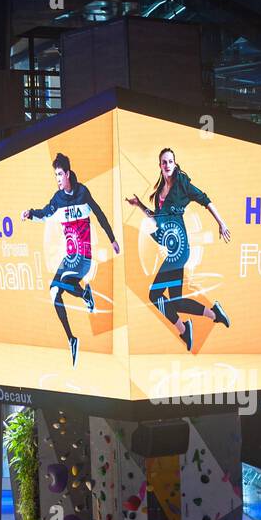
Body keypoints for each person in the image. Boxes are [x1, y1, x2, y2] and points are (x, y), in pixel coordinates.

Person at [127, 148, 232, 352]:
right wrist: (139, 204)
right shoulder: (159, 195)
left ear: (175, 164)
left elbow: (205, 199)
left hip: (181, 249)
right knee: (175, 300)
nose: (167, 165)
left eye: (170, 161)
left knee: (154, 294)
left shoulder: (182, 184)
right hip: (172, 250)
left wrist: (222, 223)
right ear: (160, 165)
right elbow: (157, 219)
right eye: (164, 162)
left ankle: (183, 329)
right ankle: (214, 314)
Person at [22, 153, 121, 366]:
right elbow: (45, 213)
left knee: (59, 284)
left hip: (84, 257)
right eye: (55, 175)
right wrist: (30, 213)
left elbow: (100, 214)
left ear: (67, 173)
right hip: (69, 258)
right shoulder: (58, 199)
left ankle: (85, 294)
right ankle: (72, 338)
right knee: (55, 291)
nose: (57, 178)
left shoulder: (83, 193)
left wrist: (112, 239)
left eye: (59, 174)